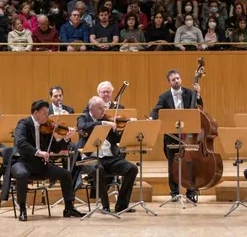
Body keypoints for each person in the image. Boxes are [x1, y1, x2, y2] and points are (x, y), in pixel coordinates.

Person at [2, 100, 82, 221]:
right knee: (21, 174)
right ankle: (22, 209)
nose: (47, 116)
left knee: (65, 174)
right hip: (22, 162)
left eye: (48, 113)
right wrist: (38, 152)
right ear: (35, 113)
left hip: (40, 165)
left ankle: (69, 208)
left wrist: (66, 139)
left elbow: (54, 148)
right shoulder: (23, 124)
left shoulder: (46, 126)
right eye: (44, 113)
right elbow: (20, 143)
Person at [76, 96, 139, 214]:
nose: (104, 111)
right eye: (100, 108)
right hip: (90, 158)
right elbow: (82, 127)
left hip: (109, 158)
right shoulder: (83, 118)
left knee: (132, 168)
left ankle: (121, 205)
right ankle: (105, 205)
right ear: (91, 109)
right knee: (98, 169)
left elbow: (117, 139)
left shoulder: (108, 120)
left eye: (104, 108)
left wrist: (128, 128)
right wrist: (103, 123)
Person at [148, 69, 203, 202]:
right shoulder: (164, 96)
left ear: (181, 79)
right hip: (172, 135)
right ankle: (174, 192)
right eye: (173, 79)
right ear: (169, 83)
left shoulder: (190, 93)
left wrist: (199, 95)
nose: (176, 81)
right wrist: (151, 118)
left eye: (178, 78)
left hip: (189, 135)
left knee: (190, 163)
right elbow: (157, 109)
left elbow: (199, 108)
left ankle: (191, 191)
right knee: (172, 164)